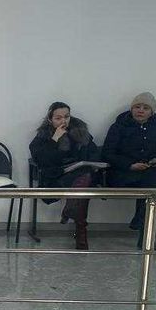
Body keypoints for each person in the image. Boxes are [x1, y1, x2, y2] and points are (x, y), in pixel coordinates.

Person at [30, 101, 102, 250]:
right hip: (57, 176)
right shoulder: (44, 135)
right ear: (50, 119)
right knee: (82, 188)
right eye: (58, 118)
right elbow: (41, 159)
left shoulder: (80, 131)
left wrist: (92, 164)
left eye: (67, 116)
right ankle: (81, 230)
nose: (63, 121)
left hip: (80, 173)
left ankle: (71, 211)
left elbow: (93, 153)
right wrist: (54, 140)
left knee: (83, 180)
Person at [102, 92, 156, 233]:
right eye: (137, 107)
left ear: (151, 112)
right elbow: (107, 153)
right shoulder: (118, 126)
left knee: (153, 182)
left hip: (149, 171)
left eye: (145, 108)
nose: (140, 110)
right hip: (123, 172)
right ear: (131, 109)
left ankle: (141, 224)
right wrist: (130, 165)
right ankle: (143, 230)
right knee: (150, 187)